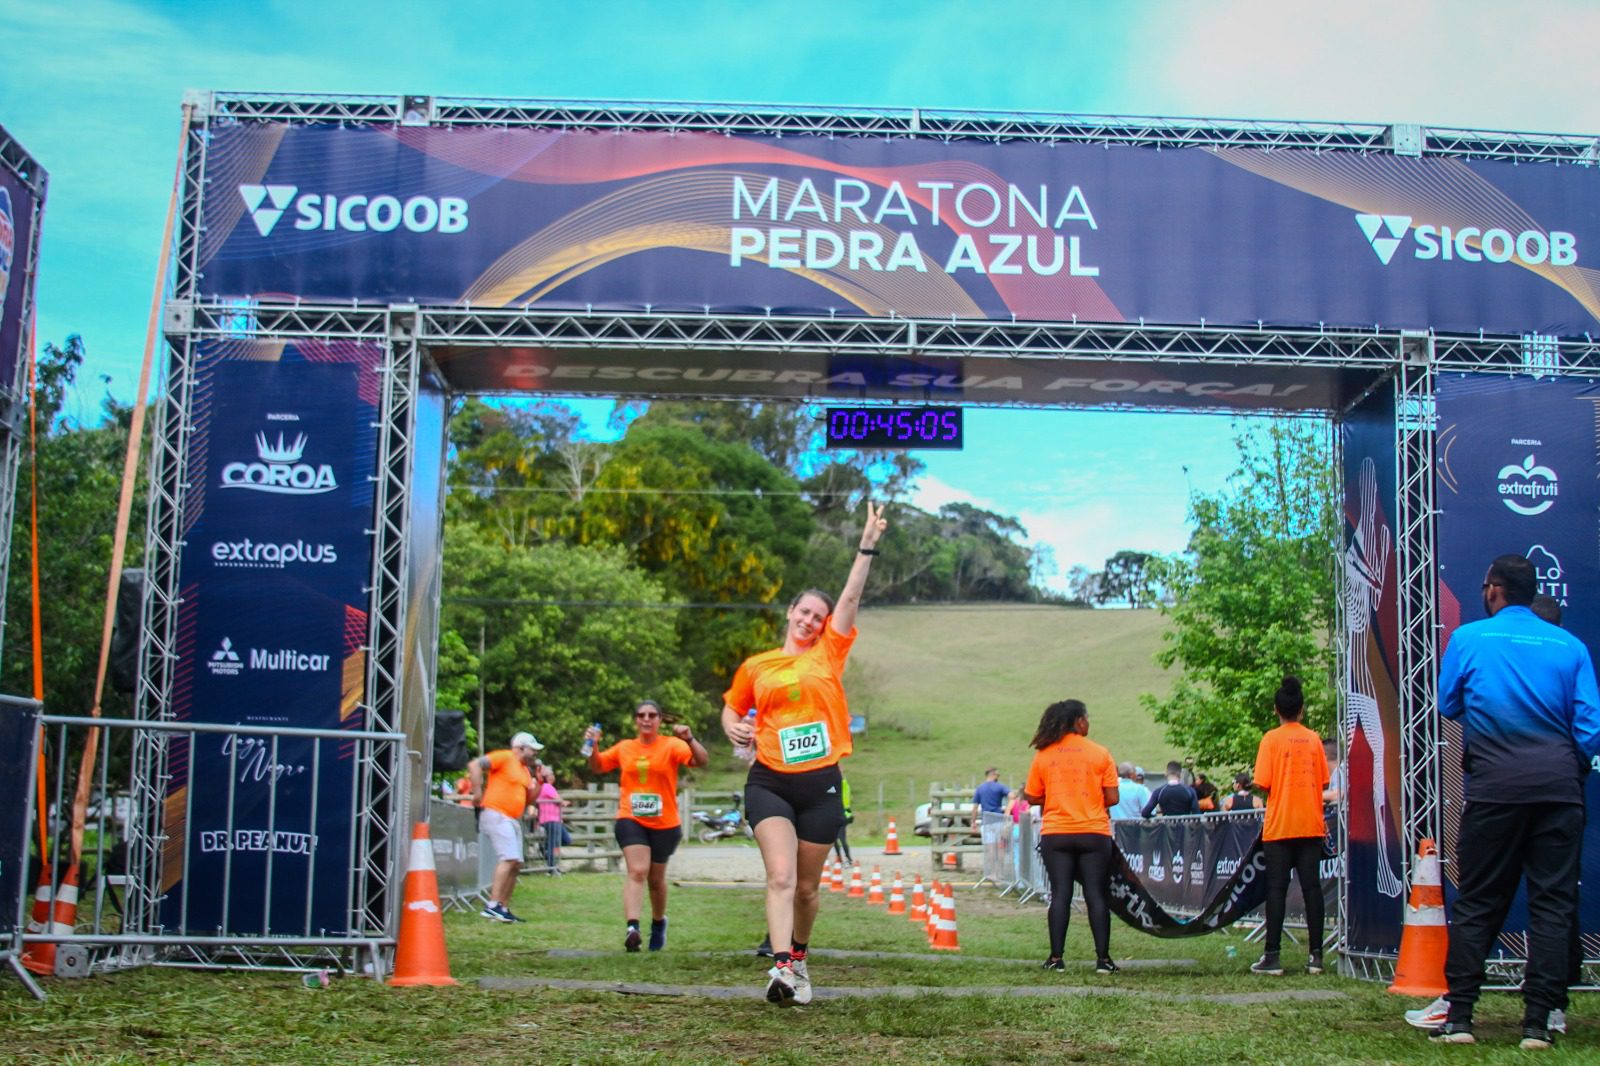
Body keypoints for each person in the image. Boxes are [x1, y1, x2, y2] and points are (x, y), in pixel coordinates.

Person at [1419, 556, 1599, 1049]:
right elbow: (1589, 730)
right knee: (1553, 907)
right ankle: (1539, 1023)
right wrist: (1565, 762)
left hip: (1494, 790)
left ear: (1494, 590)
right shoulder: (1572, 647)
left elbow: (1449, 703)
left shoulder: (1469, 639)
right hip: (1558, 793)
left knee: (1477, 903)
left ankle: (1460, 1020)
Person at [721, 501, 886, 1006]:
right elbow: (730, 710)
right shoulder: (758, 664)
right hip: (770, 779)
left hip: (821, 785)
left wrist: (867, 546)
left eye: (819, 616)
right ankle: (780, 971)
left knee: (807, 890)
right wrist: (734, 731)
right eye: (805, 612)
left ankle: (799, 957)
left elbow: (852, 597)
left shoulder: (829, 653)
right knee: (780, 875)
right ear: (790, 614)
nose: (811, 620)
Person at [585, 700, 708, 952]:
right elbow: (597, 766)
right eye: (641, 715)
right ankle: (633, 928)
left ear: (660, 720)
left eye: (652, 715)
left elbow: (701, 760)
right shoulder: (625, 747)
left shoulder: (672, 745)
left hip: (665, 822)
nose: (646, 719)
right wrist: (593, 745)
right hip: (631, 817)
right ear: (636, 720)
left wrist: (690, 738)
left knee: (655, 880)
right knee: (637, 871)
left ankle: (658, 923)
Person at [1021, 699, 1121, 974]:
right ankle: (1103, 960)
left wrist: (1055, 795)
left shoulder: (1044, 754)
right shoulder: (1100, 753)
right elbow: (1112, 797)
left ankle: (1056, 958)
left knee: (1060, 893)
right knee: (1095, 895)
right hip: (1093, 831)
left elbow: (1031, 796)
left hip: (1057, 832)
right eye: (1087, 718)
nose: (1089, 723)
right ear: (1079, 721)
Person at [1249, 676, 1329, 977]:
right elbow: (1322, 780)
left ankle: (1272, 956)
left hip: (1280, 826)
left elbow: (1263, 782)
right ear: (1302, 709)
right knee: (1312, 889)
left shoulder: (1271, 739)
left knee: (1277, 890)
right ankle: (1316, 957)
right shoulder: (1314, 739)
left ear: (1276, 710)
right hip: (1310, 823)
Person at [466, 731, 544, 922]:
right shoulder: (504, 757)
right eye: (532, 749)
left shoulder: (525, 771)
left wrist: (540, 782)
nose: (535, 753)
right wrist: (477, 793)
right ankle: (492, 905)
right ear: (520, 748)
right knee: (509, 858)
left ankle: (503, 906)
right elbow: (474, 765)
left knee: (516, 863)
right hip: (496, 813)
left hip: (511, 818)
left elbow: (528, 800)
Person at [534, 766, 566, 875]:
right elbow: (558, 799)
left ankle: (547, 853)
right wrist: (563, 802)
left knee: (563, 840)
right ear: (547, 777)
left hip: (552, 819)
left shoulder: (545, 787)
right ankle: (552, 867)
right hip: (551, 819)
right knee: (555, 843)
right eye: (551, 774)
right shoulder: (547, 787)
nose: (553, 776)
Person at [973, 767, 1011, 848]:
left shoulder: (980, 788)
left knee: (989, 849)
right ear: (992, 775)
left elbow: (975, 807)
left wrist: (973, 822)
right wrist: (1008, 808)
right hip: (998, 820)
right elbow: (1012, 796)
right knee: (1000, 848)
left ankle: (991, 861)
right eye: (998, 775)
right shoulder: (1000, 787)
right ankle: (999, 861)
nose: (998, 777)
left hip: (986, 821)